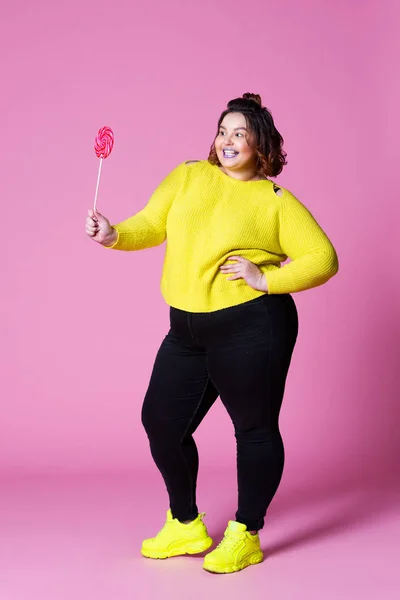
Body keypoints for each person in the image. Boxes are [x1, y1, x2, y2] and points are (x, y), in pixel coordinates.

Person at [85, 93, 339, 574]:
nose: (227, 141)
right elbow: (150, 223)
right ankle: (185, 524)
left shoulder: (274, 201)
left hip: (252, 327)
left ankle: (246, 532)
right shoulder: (188, 176)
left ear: (260, 143)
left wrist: (268, 279)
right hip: (185, 330)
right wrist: (114, 234)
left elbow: (323, 258)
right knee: (161, 423)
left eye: (239, 133)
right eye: (223, 131)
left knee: (254, 431)